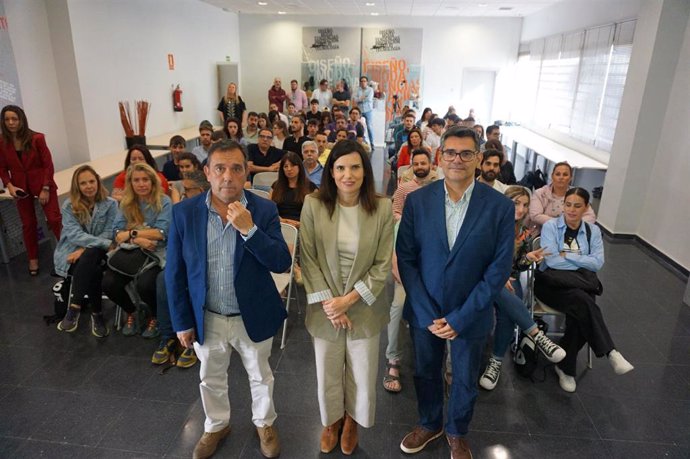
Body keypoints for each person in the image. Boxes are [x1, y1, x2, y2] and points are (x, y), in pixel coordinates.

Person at [166, 140, 291, 459]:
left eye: (236, 168)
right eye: (219, 168)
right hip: (207, 315)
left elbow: (281, 261)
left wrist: (250, 230)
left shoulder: (263, 209)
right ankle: (216, 424)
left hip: (252, 312)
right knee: (210, 376)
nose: (227, 177)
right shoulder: (185, 213)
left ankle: (265, 422)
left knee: (260, 375)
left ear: (247, 171)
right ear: (207, 172)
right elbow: (175, 273)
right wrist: (181, 321)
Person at [396, 127, 514, 459]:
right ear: (440, 157)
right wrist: (424, 307)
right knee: (425, 371)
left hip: (470, 311)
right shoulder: (418, 201)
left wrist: (461, 316)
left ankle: (457, 431)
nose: (457, 160)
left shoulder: (499, 208)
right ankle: (430, 423)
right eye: (450, 152)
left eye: (465, 153)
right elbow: (405, 257)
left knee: (464, 377)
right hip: (425, 309)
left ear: (479, 158)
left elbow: (498, 270)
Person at [300, 140, 393, 455]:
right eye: (340, 168)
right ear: (331, 172)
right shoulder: (314, 204)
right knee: (327, 370)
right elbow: (308, 257)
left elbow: (382, 266)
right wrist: (331, 304)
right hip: (325, 307)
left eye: (355, 167)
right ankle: (332, 421)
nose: (347, 175)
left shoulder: (381, 207)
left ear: (365, 171)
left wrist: (348, 300)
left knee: (362, 370)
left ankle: (352, 420)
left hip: (363, 306)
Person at [536, 188, 634, 392]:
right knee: (585, 303)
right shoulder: (551, 227)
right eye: (568, 204)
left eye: (577, 206)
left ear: (586, 207)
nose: (571, 210)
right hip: (551, 285)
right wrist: (581, 263)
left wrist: (566, 256)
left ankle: (566, 366)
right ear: (563, 205)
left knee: (580, 308)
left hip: (579, 285)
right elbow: (552, 261)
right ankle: (609, 351)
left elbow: (597, 263)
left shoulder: (593, 231)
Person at [478, 186, 565, 391]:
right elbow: (477, 257)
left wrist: (528, 258)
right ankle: (537, 335)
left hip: (508, 279)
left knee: (509, 305)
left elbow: (517, 267)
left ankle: (496, 362)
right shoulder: (488, 225)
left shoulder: (524, 232)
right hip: (483, 276)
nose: (521, 209)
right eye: (516, 203)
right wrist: (497, 275)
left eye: (525, 205)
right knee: (502, 290)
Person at [383, 148, 436, 394]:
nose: (420, 166)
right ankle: (393, 360)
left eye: (424, 162)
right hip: (407, 259)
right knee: (397, 306)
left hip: (433, 263)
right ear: (412, 166)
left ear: (431, 164)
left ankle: (439, 364)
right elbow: (394, 215)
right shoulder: (405, 189)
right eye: (416, 163)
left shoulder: (441, 189)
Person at [102, 163, 172, 338]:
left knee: (146, 284)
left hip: (156, 253)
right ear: (130, 183)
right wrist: (138, 238)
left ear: (152, 181)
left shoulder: (164, 201)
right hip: (132, 252)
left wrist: (131, 232)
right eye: (136, 180)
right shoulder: (126, 203)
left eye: (145, 179)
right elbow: (117, 234)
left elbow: (161, 233)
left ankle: (156, 316)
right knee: (108, 283)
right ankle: (133, 311)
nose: (141, 184)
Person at [151, 169, 209, 369]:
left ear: (200, 190)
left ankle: (192, 341)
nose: (183, 195)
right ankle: (169, 334)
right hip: (182, 262)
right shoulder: (183, 211)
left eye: (187, 191)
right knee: (164, 279)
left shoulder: (212, 212)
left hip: (203, 269)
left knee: (193, 283)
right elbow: (175, 248)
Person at [54, 166, 118, 337]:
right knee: (94, 269)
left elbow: (109, 231)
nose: (89, 186)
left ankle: (74, 308)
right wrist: (89, 248)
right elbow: (74, 234)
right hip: (72, 253)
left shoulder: (111, 204)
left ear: (98, 181)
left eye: (91, 181)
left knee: (91, 256)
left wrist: (84, 249)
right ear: (77, 186)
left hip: (97, 253)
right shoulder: (68, 206)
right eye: (83, 183)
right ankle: (97, 315)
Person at [0, 105, 62, 275]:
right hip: (20, 188)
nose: (11, 122)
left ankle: (68, 252)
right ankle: (33, 258)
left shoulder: (37, 138)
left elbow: (48, 165)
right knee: (28, 224)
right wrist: (10, 185)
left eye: (15, 119)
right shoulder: (2, 142)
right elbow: (2, 168)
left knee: (54, 219)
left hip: (43, 184)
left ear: (21, 119)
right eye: (7, 119)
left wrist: (46, 187)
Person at [529, 161, 596, 233]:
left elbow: (590, 217)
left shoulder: (578, 194)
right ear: (552, 176)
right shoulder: (540, 193)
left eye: (565, 174)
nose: (561, 177)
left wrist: (573, 226)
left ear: (570, 178)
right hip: (542, 233)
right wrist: (562, 224)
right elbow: (535, 215)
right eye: (558, 174)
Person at [269, 151, 316, 228]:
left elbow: (315, 214)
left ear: (299, 167)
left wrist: (299, 224)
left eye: (293, 165)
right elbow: (269, 209)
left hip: (303, 226)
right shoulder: (276, 186)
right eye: (286, 166)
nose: (289, 169)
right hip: (280, 224)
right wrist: (282, 221)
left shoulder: (311, 187)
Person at [353, 76, 375, 147]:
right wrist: (361, 98)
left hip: (368, 110)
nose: (363, 83)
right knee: (359, 126)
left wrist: (360, 99)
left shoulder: (370, 90)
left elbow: (369, 99)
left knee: (369, 127)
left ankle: (372, 144)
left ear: (367, 82)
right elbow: (355, 99)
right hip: (360, 111)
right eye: (362, 81)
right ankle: (360, 142)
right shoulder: (357, 90)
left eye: (364, 81)